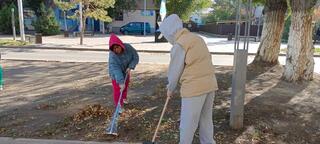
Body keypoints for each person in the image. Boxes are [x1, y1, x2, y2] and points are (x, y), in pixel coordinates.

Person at [159, 14, 218, 144]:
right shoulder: (197, 38)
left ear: (170, 33)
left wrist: (170, 88)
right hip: (210, 84)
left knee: (187, 124)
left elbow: (175, 70)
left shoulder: (180, 45)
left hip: (194, 88)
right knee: (206, 121)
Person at [108, 33, 139, 109]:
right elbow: (116, 70)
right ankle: (118, 106)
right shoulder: (113, 57)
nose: (116, 50)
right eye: (114, 49)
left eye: (117, 47)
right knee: (118, 89)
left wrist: (130, 66)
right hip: (115, 74)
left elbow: (135, 57)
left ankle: (124, 98)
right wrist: (121, 82)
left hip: (126, 70)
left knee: (125, 85)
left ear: (121, 45)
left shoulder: (128, 47)